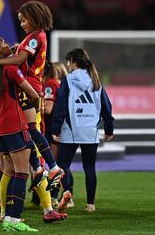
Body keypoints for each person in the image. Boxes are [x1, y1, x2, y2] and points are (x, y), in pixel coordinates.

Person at [0, 1, 66, 223]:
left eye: (24, 19)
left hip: (26, 91)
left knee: (13, 161)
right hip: (26, 94)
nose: (21, 23)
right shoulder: (34, 37)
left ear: (34, 16)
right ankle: (46, 169)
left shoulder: (34, 37)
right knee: (27, 139)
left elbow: (21, 60)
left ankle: (49, 168)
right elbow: (21, 57)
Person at [0, 36, 39, 232]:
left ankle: (7, 217)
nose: (7, 45)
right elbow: (34, 94)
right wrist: (35, 108)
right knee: (22, 173)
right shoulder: (10, 69)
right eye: (3, 43)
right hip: (14, 124)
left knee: (11, 171)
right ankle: (15, 219)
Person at [51, 48, 114, 213]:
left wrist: (55, 128)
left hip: (71, 129)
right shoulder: (96, 80)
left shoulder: (69, 79)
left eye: (68, 61)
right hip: (90, 130)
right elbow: (107, 107)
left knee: (63, 165)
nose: (67, 64)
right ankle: (90, 205)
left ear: (73, 62)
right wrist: (109, 128)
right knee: (89, 168)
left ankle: (68, 197)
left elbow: (61, 105)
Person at [42, 62, 71, 208]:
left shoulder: (50, 84)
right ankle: (64, 194)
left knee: (55, 165)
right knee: (59, 164)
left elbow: (47, 109)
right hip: (59, 127)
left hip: (53, 127)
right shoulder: (57, 83)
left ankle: (56, 196)